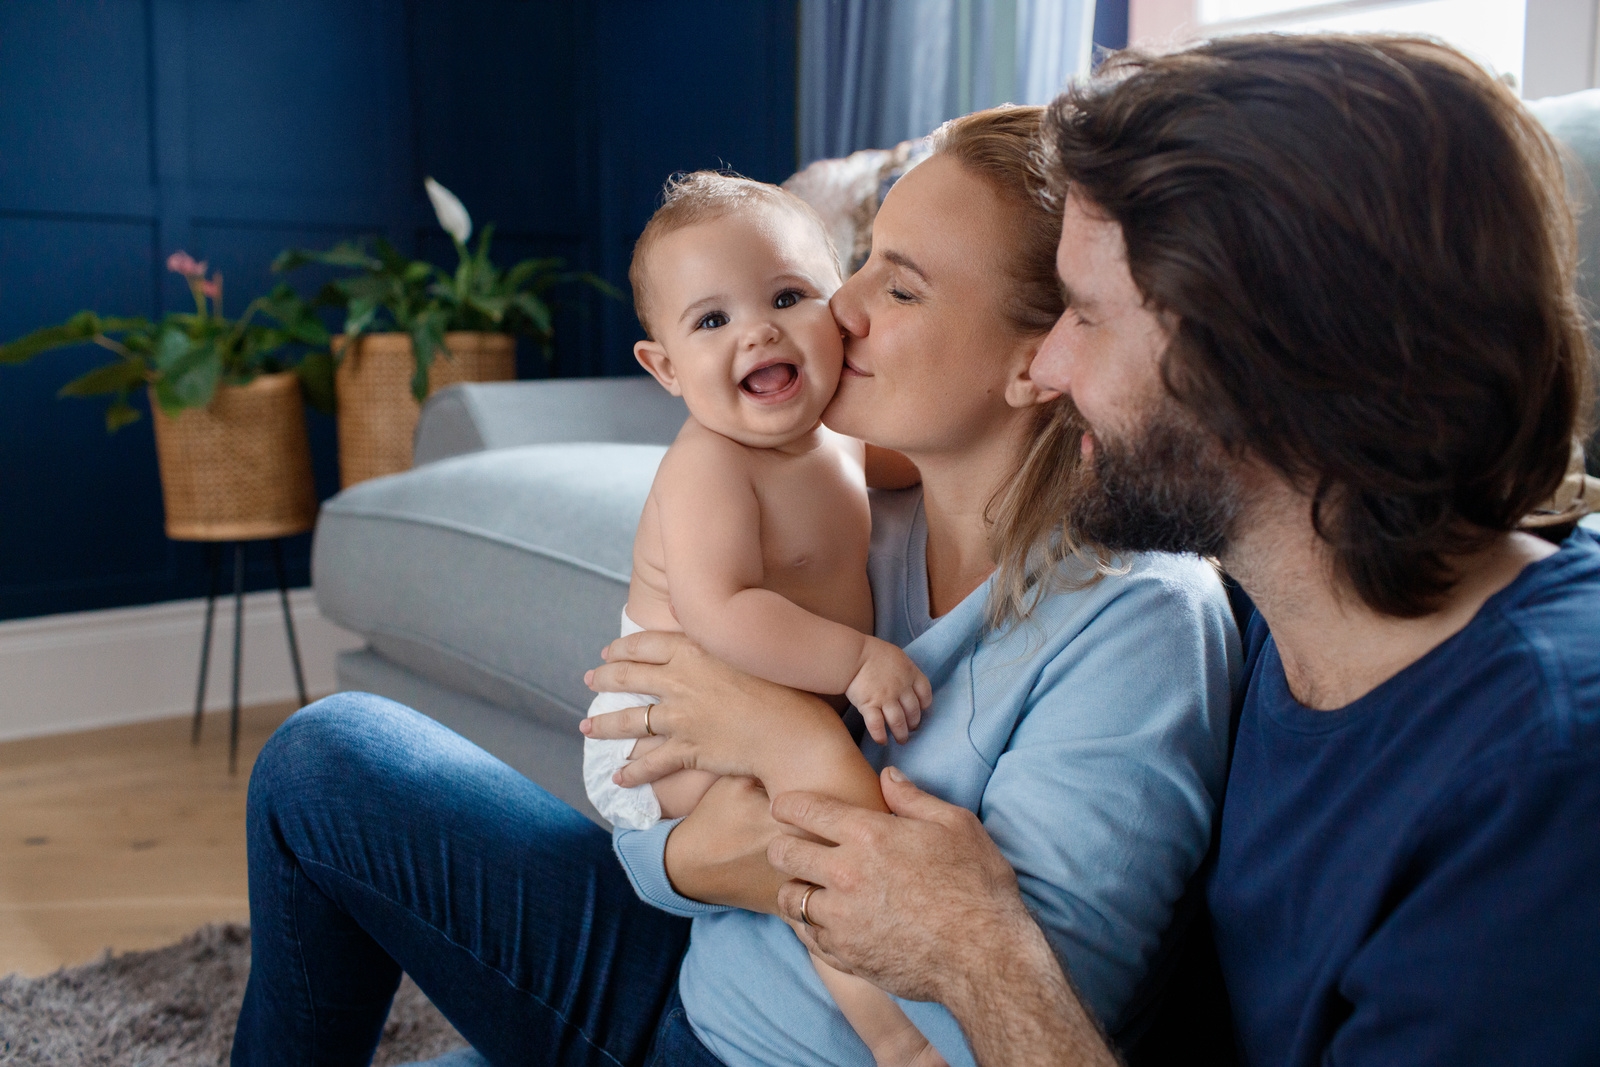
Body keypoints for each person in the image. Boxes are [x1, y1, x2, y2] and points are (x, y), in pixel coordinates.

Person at [587, 34, 1600, 1066]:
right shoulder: (1293, 608)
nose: (1052, 365)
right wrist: (700, 847)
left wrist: (974, 942)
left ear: (1270, 360)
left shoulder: (1536, 776)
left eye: (1088, 317)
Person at [231, 106, 1239, 1067]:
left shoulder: (1138, 618)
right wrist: (703, 854)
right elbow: (652, 833)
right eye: (859, 261)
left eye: (898, 284)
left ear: (1040, 359)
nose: (837, 307)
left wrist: (786, 746)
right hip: (681, 979)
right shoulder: (850, 510)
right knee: (325, 755)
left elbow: (1010, 1027)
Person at [583, 168, 941, 1067]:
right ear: (664, 367)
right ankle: (895, 1035)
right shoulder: (710, 465)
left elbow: (928, 468)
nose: (759, 329)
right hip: (664, 730)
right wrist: (857, 658)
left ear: (836, 309)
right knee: (800, 828)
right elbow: (723, 613)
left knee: (815, 806)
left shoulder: (843, 435)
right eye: (712, 320)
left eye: (788, 295)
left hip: (766, 705)